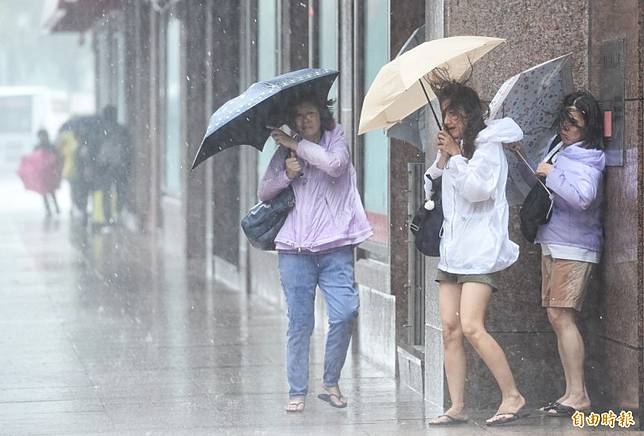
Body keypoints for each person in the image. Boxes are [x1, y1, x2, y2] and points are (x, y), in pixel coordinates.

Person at [258, 95, 373, 413]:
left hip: (335, 247)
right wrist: (287, 175)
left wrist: (297, 146)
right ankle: (297, 390)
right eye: (298, 115)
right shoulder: (286, 150)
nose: (304, 120)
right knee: (300, 322)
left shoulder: (336, 140)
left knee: (345, 312)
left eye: (310, 113)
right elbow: (264, 192)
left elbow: (335, 166)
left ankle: (330, 381)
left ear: (322, 115)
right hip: (294, 251)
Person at [424, 71, 526, 426]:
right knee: (449, 328)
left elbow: (478, 191)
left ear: (469, 115)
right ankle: (456, 406)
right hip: (452, 251)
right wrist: (442, 160)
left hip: (480, 251)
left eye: (455, 113)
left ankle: (512, 395)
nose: (449, 120)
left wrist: (455, 157)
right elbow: (432, 192)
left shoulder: (487, 147)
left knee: (471, 326)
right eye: (445, 113)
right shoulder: (456, 150)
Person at [533, 91, 605, 417]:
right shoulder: (562, 150)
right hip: (554, 241)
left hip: (574, 246)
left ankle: (579, 394)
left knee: (562, 316)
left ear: (588, 126)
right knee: (556, 316)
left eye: (573, 122)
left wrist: (552, 174)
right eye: (564, 119)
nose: (566, 127)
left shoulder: (589, 158)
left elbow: (583, 198)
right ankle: (570, 391)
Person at [96, 105, 132, 227]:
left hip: (109, 166)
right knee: (117, 191)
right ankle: (116, 214)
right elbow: (128, 148)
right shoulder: (121, 130)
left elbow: (96, 149)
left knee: (108, 192)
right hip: (116, 166)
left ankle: (110, 217)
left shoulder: (101, 130)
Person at [33, 129, 61, 217]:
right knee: (44, 192)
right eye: (40, 136)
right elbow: (34, 159)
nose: (42, 138)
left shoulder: (51, 146)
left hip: (50, 173)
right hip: (42, 174)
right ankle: (48, 209)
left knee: (52, 192)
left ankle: (56, 207)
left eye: (43, 135)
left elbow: (57, 158)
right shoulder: (37, 147)